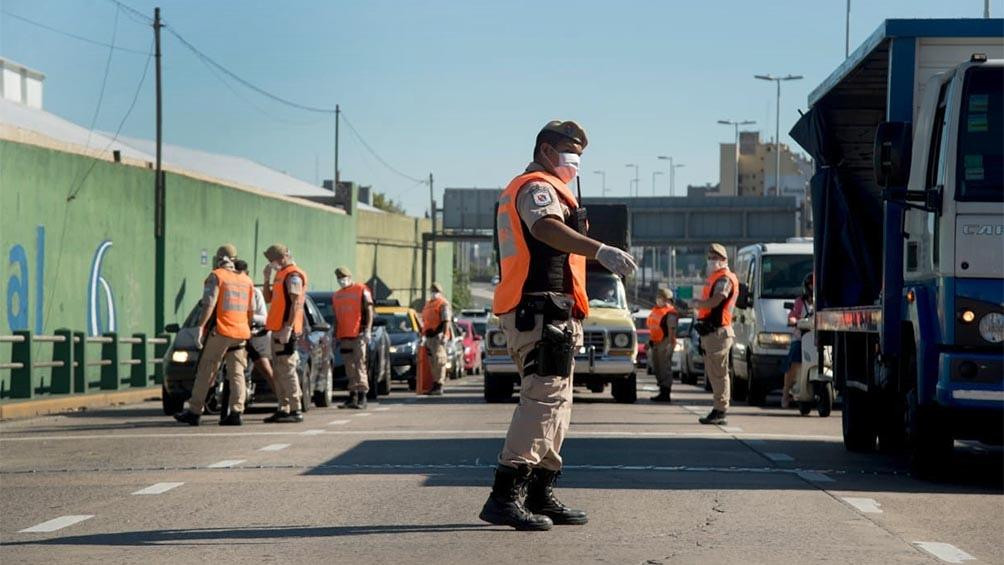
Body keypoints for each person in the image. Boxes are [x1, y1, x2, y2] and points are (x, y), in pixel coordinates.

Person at [480, 120, 637, 531]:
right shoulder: (537, 188)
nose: (576, 161)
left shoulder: (544, 187)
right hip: (538, 311)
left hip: (552, 312)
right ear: (547, 151)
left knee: (557, 405)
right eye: (571, 152)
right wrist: (599, 250)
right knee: (543, 400)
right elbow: (545, 228)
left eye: (580, 154)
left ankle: (539, 492)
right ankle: (504, 495)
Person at [174, 245, 254, 426]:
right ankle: (236, 412)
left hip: (222, 331)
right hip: (240, 332)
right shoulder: (246, 280)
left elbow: (209, 304)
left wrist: (201, 327)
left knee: (206, 369)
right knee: (237, 373)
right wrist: (246, 328)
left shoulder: (217, 276)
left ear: (219, 259)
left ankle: (195, 411)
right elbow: (250, 309)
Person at [691, 243, 739, 426]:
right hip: (714, 331)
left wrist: (698, 304)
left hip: (719, 331)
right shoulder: (717, 277)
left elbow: (718, 299)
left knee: (718, 373)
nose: (711, 261)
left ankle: (720, 410)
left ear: (724, 260)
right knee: (715, 372)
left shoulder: (724, 279)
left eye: (715, 257)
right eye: (710, 257)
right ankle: (718, 408)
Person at [261, 244, 308, 424]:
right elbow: (268, 298)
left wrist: (288, 328)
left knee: (287, 370)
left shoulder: (293, 275)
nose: (271, 263)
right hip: (276, 329)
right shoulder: (280, 275)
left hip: (285, 329)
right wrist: (266, 279)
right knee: (279, 371)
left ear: (283, 257)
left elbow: (295, 303)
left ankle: (295, 408)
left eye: (273, 259)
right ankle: (283, 407)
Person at [233, 260, 275, 411]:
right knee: (235, 369)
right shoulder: (229, 289)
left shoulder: (255, 292)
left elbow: (264, 318)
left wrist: (247, 319)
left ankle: (284, 401)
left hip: (255, 335)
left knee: (265, 368)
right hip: (235, 335)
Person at [332, 266, 374, 409]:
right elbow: (337, 317)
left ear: (349, 277)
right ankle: (352, 396)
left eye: (343, 277)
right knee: (349, 367)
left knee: (359, 365)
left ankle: (362, 397)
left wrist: (368, 329)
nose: (341, 280)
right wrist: (335, 335)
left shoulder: (361, 289)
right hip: (344, 335)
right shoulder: (336, 295)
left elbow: (369, 310)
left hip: (359, 334)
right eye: (339, 278)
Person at [781, 273, 814, 408]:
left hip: (818, 339)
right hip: (801, 338)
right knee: (794, 358)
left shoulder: (822, 301)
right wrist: (793, 321)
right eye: (811, 285)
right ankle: (786, 392)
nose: (813, 288)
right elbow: (792, 316)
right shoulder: (800, 302)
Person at [647, 287, 679, 403]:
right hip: (655, 342)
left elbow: (672, 329)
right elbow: (653, 328)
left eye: (661, 298)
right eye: (658, 297)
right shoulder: (656, 310)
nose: (658, 300)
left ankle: (665, 392)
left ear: (668, 299)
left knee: (664, 367)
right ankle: (662, 390)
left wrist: (671, 343)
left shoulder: (670, 313)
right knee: (657, 367)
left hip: (665, 342)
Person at [421, 282, 452, 396]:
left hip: (438, 335)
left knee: (439, 360)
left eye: (436, 290)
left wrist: (444, 335)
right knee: (432, 362)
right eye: (432, 290)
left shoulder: (443, 303)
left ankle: (439, 385)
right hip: (429, 336)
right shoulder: (428, 304)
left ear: (440, 292)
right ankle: (435, 384)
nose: (433, 293)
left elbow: (446, 320)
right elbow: (424, 320)